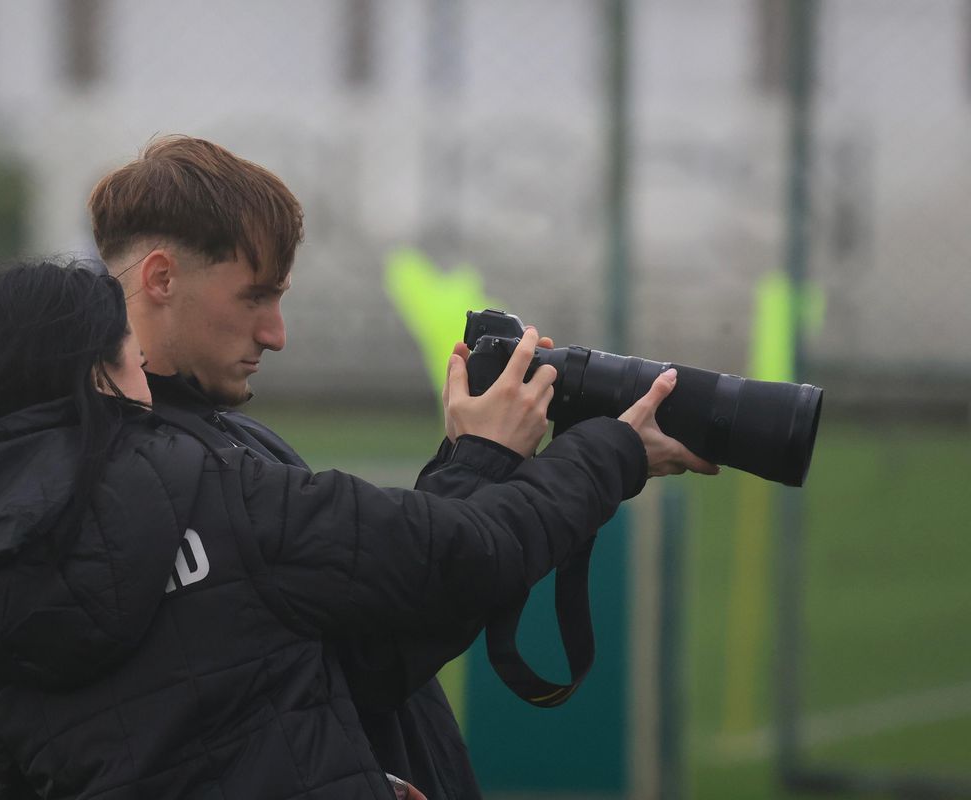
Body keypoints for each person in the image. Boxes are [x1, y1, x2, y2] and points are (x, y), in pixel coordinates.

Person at [0, 257, 699, 799]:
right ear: (93, 372)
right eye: (131, 357)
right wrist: (610, 449)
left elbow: (268, 684)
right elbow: (464, 559)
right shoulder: (207, 483)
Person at [86, 135, 718, 798]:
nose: (276, 333)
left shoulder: (227, 443)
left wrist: (473, 461)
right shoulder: (158, 473)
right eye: (254, 298)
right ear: (160, 278)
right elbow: (389, 633)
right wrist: (522, 457)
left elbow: (368, 644)